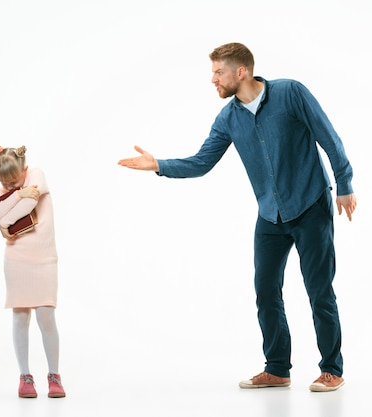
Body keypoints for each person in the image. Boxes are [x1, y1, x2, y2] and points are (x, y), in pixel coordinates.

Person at [118, 42, 356, 392]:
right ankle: (277, 368)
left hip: (310, 206)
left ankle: (331, 369)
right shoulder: (228, 118)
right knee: (265, 291)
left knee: (319, 290)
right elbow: (202, 162)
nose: (213, 80)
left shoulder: (291, 93)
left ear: (240, 72)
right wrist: (159, 166)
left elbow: (328, 136)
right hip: (270, 215)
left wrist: (344, 183)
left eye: (218, 72)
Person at [0, 142, 66, 398]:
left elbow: (27, 206)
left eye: (14, 182)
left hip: (43, 257)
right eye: (6, 185)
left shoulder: (37, 175)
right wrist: (15, 195)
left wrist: (7, 223)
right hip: (17, 258)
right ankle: (25, 376)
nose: (10, 187)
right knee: (20, 317)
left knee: (46, 316)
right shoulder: (8, 188)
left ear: (25, 168)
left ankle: (54, 374)